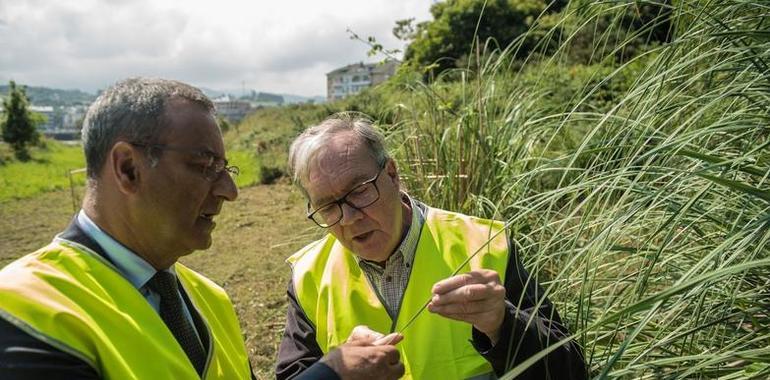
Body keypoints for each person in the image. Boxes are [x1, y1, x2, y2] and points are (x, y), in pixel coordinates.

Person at [0, 79, 403, 380]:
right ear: (127, 168)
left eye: (226, 170)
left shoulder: (211, 300)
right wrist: (329, 373)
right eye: (205, 166)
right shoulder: (24, 310)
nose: (230, 191)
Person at [277, 113, 587, 379]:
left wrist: (503, 325)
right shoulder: (309, 275)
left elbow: (570, 370)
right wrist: (335, 372)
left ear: (392, 174)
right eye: (328, 206)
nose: (348, 218)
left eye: (359, 191)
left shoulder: (485, 246)